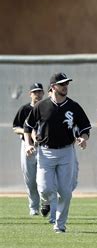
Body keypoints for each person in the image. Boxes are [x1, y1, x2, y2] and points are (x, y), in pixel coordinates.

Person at [24, 73, 91, 233]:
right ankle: (45, 202)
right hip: (45, 153)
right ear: (53, 87)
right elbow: (28, 126)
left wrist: (83, 138)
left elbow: (85, 127)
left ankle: (60, 225)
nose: (65, 86)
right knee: (45, 190)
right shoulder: (41, 106)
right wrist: (28, 144)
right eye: (61, 84)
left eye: (66, 83)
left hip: (66, 152)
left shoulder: (73, 106)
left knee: (65, 192)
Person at [12, 83, 45, 216]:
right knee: (30, 179)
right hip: (27, 146)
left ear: (43, 93)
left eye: (39, 92)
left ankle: (46, 204)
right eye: (34, 92)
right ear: (30, 94)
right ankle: (34, 207)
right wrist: (28, 131)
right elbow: (15, 128)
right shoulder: (24, 109)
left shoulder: (47, 107)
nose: (37, 94)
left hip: (44, 146)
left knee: (44, 179)